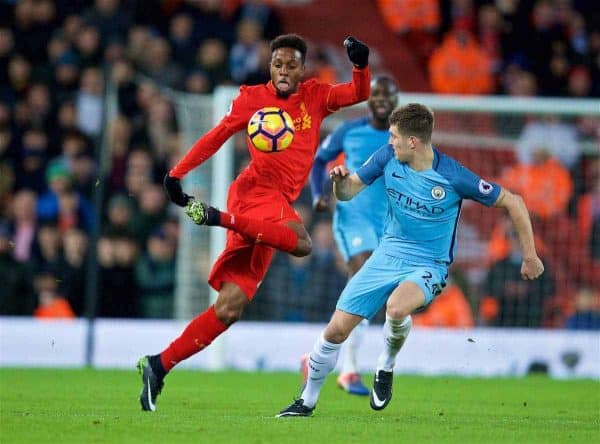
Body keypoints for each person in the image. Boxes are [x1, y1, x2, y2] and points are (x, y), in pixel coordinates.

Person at [137, 34, 371, 412]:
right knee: (302, 244)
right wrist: (175, 174)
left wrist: (361, 64)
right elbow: (217, 136)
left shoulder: (316, 96)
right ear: (270, 66)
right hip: (255, 193)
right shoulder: (251, 99)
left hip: (272, 207)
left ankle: (158, 365)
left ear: (301, 69)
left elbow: (359, 92)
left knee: (229, 308)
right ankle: (218, 218)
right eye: (277, 64)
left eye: (291, 65)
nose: (283, 71)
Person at [277, 103, 544, 417]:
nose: (389, 141)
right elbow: (349, 192)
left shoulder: (452, 175)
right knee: (335, 331)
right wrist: (338, 182)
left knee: (396, 306)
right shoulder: (386, 157)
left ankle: (385, 365)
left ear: (413, 141)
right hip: (387, 254)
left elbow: (514, 202)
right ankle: (306, 402)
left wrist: (530, 256)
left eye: (394, 136)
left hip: (429, 264)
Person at [304, 75, 398, 396]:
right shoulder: (350, 131)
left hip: (387, 222)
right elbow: (319, 161)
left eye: (388, 95)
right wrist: (319, 195)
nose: (382, 100)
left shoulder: (400, 137)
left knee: (371, 293)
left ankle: (318, 356)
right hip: (353, 217)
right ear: (369, 100)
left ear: (396, 101)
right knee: (363, 271)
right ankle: (348, 370)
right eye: (377, 95)